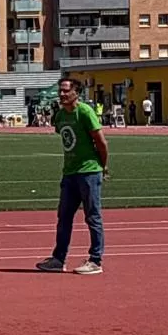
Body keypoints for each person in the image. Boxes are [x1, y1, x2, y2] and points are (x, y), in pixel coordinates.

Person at [37, 75, 108, 276]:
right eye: (60, 90)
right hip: (69, 173)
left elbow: (101, 142)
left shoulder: (84, 112)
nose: (62, 94)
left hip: (89, 172)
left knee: (92, 217)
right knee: (64, 217)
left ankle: (96, 260)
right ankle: (59, 259)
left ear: (76, 93)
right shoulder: (60, 116)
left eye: (66, 90)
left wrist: (103, 166)